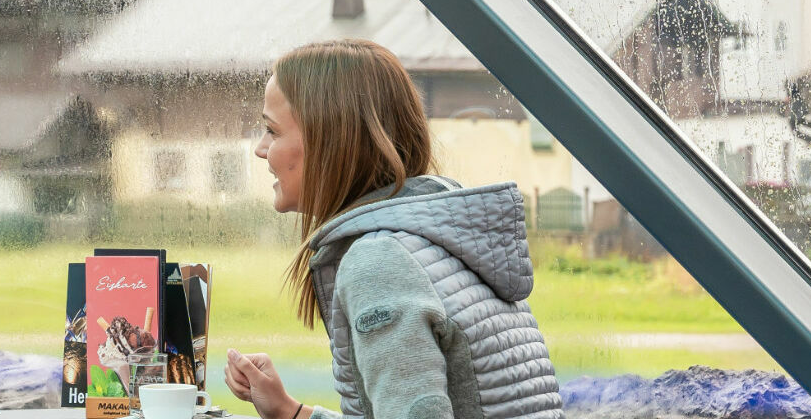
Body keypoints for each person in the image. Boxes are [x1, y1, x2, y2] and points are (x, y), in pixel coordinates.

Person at [224, 39, 563, 419]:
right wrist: (290, 411)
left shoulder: (379, 263)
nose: (260, 148)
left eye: (272, 131)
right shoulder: (434, 237)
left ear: (328, 142)